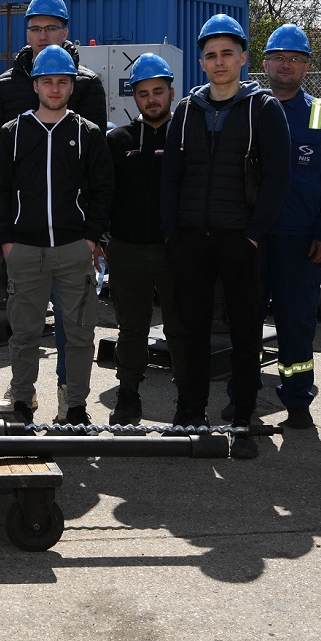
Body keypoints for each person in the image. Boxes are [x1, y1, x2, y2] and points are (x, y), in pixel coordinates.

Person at [161, 14, 290, 459]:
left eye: (227, 54)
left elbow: (277, 179)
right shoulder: (186, 111)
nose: (219, 62)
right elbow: (171, 177)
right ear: (201, 63)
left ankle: (242, 419)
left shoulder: (263, 109)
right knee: (191, 330)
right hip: (191, 240)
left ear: (243, 59)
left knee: (245, 332)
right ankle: (189, 413)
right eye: (211, 55)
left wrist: (254, 234)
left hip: (240, 240)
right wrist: (173, 234)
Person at [0, 0, 108, 418]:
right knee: (24, 332)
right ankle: (22, 399)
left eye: (62, 82)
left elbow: (100, 182)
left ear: (72, 84)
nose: (55, 88)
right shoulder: (12, 126)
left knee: (79, 332)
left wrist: (92, 238)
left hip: (74, 246)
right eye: (47, 82)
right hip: (25, 247)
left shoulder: (87, 125)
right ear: (34, 84)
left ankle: (73, 404)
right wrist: (7, 240)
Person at [259, 25, 321, 430]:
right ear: (265, 64)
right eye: (279, 57)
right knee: (244, 322)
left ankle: (297, 402)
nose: (286, 64)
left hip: (300, 243)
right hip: (253, 239)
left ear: (307, 66)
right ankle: (241, 396)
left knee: (297, 325)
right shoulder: (249, 108)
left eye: (295, 58)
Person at [104, 53, 186, 425]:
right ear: (133, 97)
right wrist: (103, 240)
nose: (151, 99)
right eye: (143, 93)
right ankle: (127, 396)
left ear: (171, 92)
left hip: (176, 252)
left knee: (180, 328)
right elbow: (103, 194)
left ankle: (187, 403)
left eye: (158, 91)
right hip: (128, 251)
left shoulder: (187, 139)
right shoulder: (117, 140)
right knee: (131, 328)